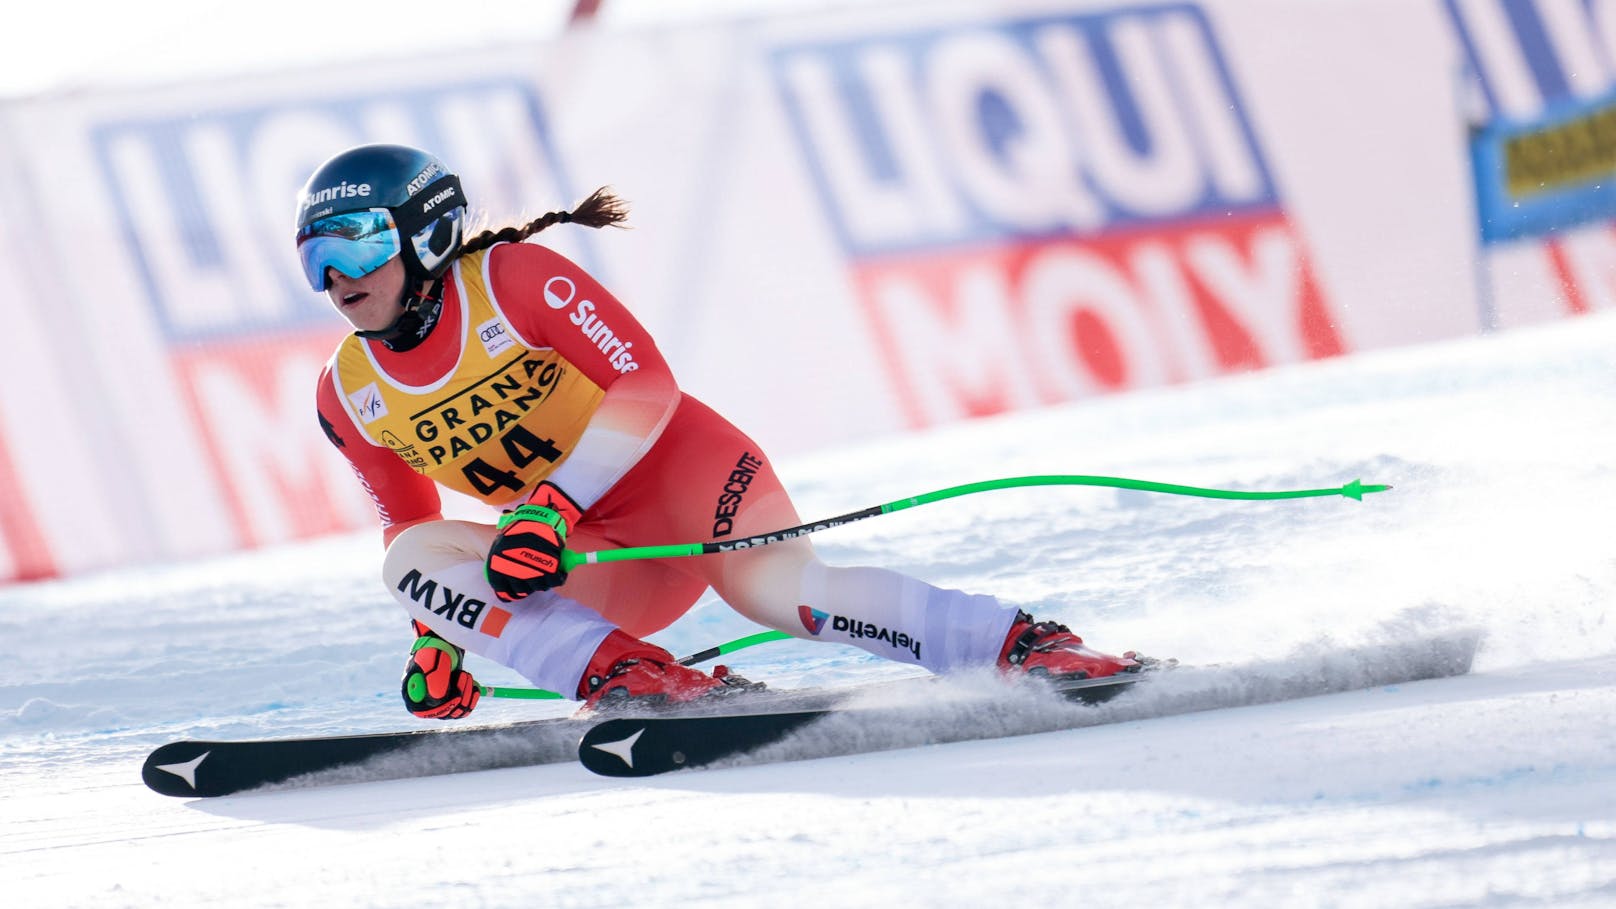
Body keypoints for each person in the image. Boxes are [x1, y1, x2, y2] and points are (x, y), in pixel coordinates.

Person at [300, 143, 1140, 719]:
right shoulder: (350, 392)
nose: (338, 278)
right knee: (405, 562)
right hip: (593, 554)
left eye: (359, 245)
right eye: (315, 260)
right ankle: (628, 672)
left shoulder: (514, 283)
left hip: (689, 483)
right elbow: (414, 534)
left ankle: (1020, 644)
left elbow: (645, 383)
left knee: (781, 593)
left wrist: (549, 506)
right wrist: (441, 636)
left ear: (428, 233)